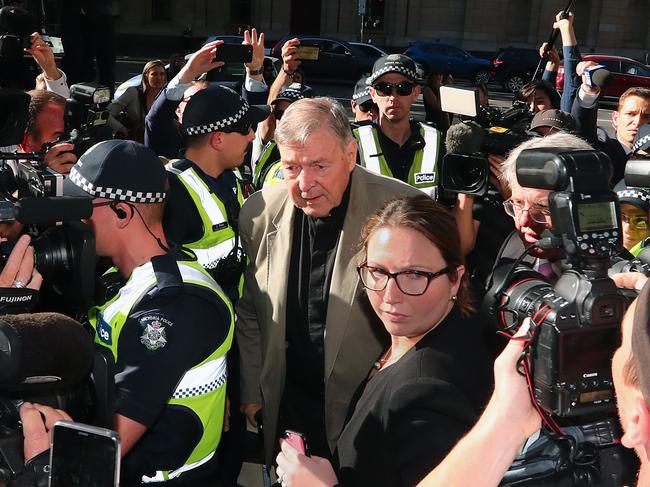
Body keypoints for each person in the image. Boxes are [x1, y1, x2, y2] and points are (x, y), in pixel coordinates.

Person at [236, 97, 421, 465]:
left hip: (368, 410)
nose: (305, 183)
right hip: (287, 406)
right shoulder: (258, 213)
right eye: (291, 167)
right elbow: (252, 311)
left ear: (350, 155)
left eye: (319, 165)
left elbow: (429, 321)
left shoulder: (404, 208)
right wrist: (253, 389)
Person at [275, 195, 493, 487]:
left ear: (455, 278)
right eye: (378, 271)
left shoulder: (428, 393)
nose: (390, 295)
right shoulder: (429, 330)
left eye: (415, 274)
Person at [63, 139, 234, 486]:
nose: (72, 221)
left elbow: (103, 447)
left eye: (81, 209)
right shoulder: (122, 277)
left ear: (123, 212)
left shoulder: (175, 304)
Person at [164, 84, 270, 301]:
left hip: (233, 316)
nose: (252, 136)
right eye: (245, 128)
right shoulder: (172, 191)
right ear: (218, 139)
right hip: (196, 322)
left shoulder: (234, 176)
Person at [145, 29, 268, 160]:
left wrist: (255, 70)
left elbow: (249, 117)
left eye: (207, 101)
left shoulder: (229, 134)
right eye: (194, 100)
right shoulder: (168, 138)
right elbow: (156, 119)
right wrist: (188, 73)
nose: (202, 104)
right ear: (178, 109)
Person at [498, 132, 593, 275]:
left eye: (543, 208)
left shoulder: (623, 279)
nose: (524, 221)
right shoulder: (512, 250)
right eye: (517, 203)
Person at [353, 54, 443, 198]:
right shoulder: (354, 143)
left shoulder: (437, 141)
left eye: (403, 88)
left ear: (416, 92)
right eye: (383, 88)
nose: (393, 97)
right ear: (373, 94)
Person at [251, 82, 313, 191]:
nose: (283, 120)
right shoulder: (270, 149)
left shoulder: (319, 159)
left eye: (291, 114)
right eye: (279, 114)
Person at [108, 60, 167, 142]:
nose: (159, 78)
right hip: (136, 144)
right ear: (146, 76)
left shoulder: (166, 95)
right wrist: (122, 129)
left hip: (159, 143)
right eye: (154, 74)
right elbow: (106, 114)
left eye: (162, 74)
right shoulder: (133, 93)